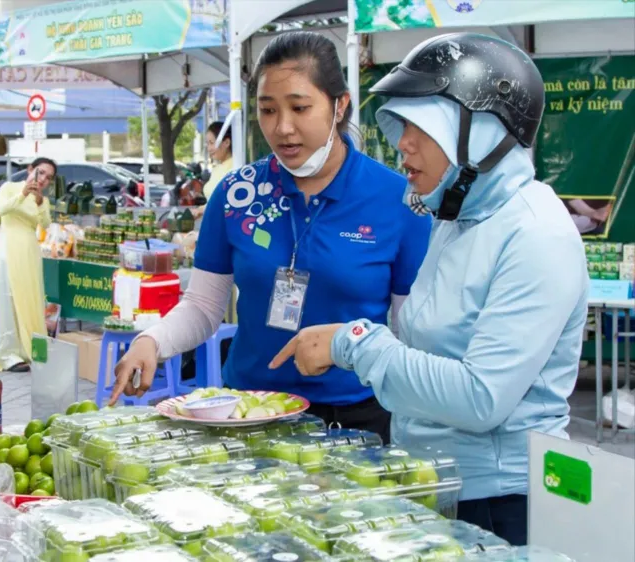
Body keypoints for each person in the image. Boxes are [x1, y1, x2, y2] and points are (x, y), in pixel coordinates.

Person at [272, 33, 588, 545]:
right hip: (438, 482)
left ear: (481, 133)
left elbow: (481, 397)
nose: (403, 143)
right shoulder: (458, 217)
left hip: (501, 503)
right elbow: (424, 346)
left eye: (420, 126)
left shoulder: (536, 234)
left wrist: (351, 343)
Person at [110, 31, 432, 441]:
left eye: (300, 108)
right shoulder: (237, 194)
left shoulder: (398, 201)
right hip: (245, 413)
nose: (282, 128)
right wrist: (152, 341)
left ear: (340, 106)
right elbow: (205, 305)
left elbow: (412, 332)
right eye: (267, 110)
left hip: (354, 422)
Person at [0, 157, 55, 372]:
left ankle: (34, 350)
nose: (43, 179)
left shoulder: (42, 200)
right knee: (7, 298)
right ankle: (8, 354)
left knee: (31, 297)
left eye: (48, 177)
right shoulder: (10, 188)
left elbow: (45, 224)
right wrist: (24, 192)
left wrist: (40, 202)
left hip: (29, 249)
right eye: (40, 173)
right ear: (30, 169)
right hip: (8, 247)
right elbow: (2, 210)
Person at [191, 121, 235, 218]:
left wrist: (202, 210)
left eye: (212, 143)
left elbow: (226, 202)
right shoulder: (217, 168)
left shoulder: (235, 167)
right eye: (207, 144)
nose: (209, 148)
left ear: (226, 142)